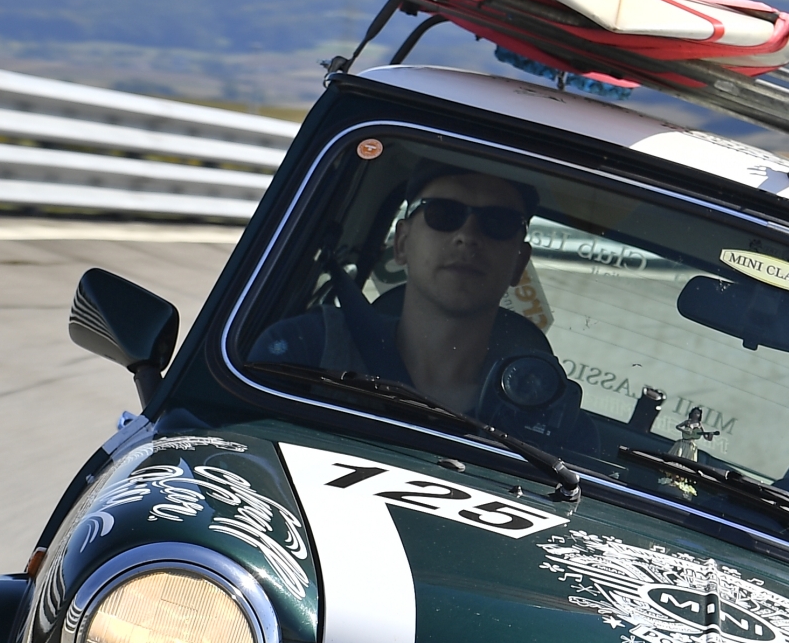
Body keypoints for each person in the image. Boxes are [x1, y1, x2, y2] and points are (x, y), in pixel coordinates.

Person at [248, 164, 595, 452]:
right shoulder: (304, 350)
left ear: (519, 262)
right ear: (402, 243)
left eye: (498, 223)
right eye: (443, 214)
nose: (467, 236)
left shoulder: (556, 427)